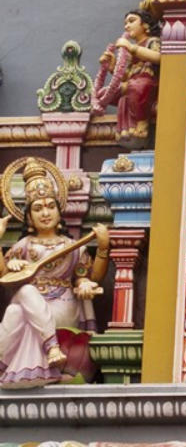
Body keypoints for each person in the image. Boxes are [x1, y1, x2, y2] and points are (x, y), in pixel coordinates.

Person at [0, 158, 109, 388]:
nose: (45, 213)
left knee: (24, 296)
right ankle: (16, 364)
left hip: (62, 305)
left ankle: (51, 348)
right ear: (29, 217)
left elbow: (90, 277)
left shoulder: (72, 247)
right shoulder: (23, 246)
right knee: (13, 310)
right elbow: (4, 276)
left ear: (59, 212)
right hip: (30, 307)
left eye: (50, 206)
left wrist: (102, 249)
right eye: (38, 208)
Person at [98, 9, 161, 147]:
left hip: (148, 82)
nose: (127, 26)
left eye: (131, 21)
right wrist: (112, 66)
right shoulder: (132, 49)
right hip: (133, 82)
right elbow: (127, 74)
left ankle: (141, 123)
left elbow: (158, 57)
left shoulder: (152, 41)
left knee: (136, 87)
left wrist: (131, 47)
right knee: (103, 93)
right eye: (125, 23)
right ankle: (126, 128)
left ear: (145, 25)